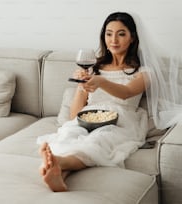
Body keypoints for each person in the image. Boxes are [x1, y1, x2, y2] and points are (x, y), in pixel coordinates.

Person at [37, 12, 149, 192]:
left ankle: (58, 161)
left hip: (121, 120)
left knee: (99, 140)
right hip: (89, 117)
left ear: (132, 38)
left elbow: (126, 93)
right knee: (69, 133)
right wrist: (82, 86)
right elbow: (74, 115)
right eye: (109, 33)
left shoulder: (143, 71)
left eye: (121, 34)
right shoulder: (93, 67)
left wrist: (101, 81)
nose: (113, 39)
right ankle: (58, 173)